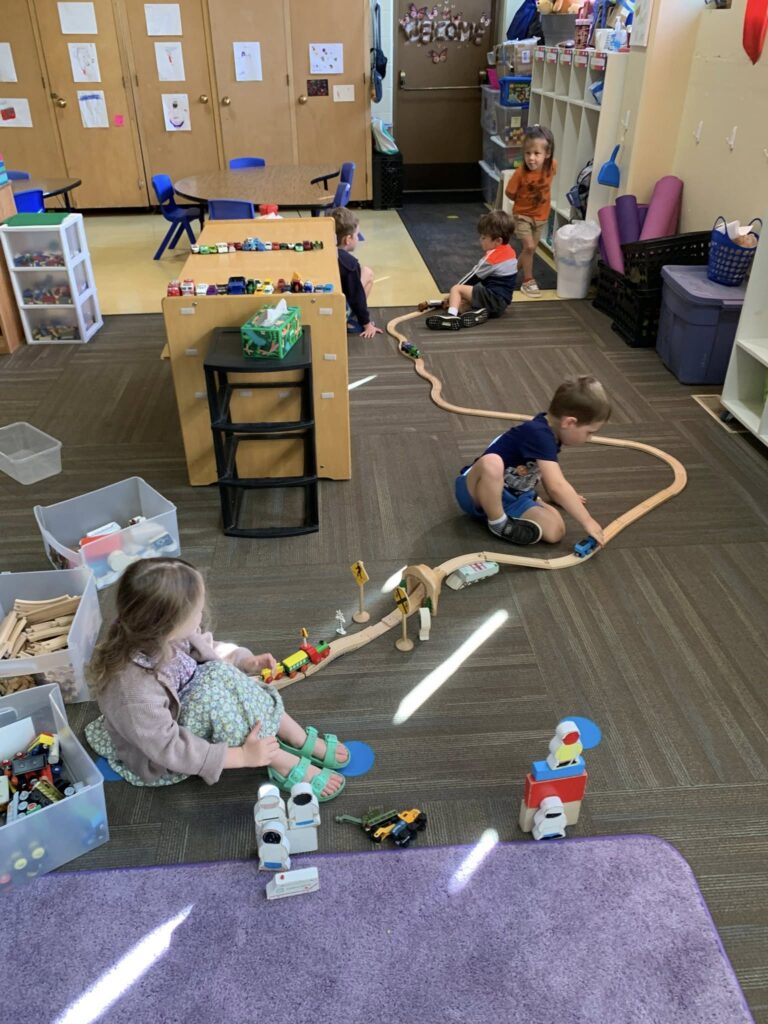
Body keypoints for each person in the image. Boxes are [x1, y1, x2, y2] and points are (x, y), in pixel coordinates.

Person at [85, 557, 349, 800]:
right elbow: (169, 748)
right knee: (214, 692)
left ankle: (295, 736)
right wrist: (243, 756)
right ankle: (277, 759)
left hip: (188, 703)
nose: (201, 615)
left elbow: (207, 650)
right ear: (168, 625)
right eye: (197, 612)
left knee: (221, 674)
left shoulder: (156, 634)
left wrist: (243, 660)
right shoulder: (133, 692)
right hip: (160, 753)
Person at [454, 375, 610, 547]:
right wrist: (587, 521)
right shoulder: (537, 433)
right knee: (492, 463)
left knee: (555, 531)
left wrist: (562, 498)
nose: (590, 438)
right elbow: (556, 485)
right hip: (475, 491)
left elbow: (546, 475)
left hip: (513, 495)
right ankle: (499, 523)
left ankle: (506, 512)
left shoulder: (552, 434)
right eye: (589, 432)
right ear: (569, 422)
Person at [425, 210, 518, 331]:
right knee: (462, 302)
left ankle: (450, 316)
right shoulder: (510, 251)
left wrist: (451, 294)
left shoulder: (492, 259)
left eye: (484, 237)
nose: (480, 240)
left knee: (457, 289)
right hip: (501, 304)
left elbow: (472, 277)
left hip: (493, 298)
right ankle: (479, 313)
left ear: (498, 241)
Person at [504, 124, 557, 297]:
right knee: (529, 246)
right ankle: (528, 281)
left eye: (537, 153)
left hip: (541, 216)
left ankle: (510, 272)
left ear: (547, 154)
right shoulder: (520, 173)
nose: (531, 158)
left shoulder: (552, 166)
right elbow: (509, 193)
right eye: (528, 153)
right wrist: (523, 202)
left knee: (530, 250)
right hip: (522, 215)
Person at [332, 206, 382, 340]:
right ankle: (348, 320)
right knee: (368, 274)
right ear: (348, 239)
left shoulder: (325, 251)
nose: (358, 239)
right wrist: (367, 324)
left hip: (323, 303)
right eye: (357, 235)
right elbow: (356, 296)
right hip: (337, 309)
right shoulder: (349, 263)